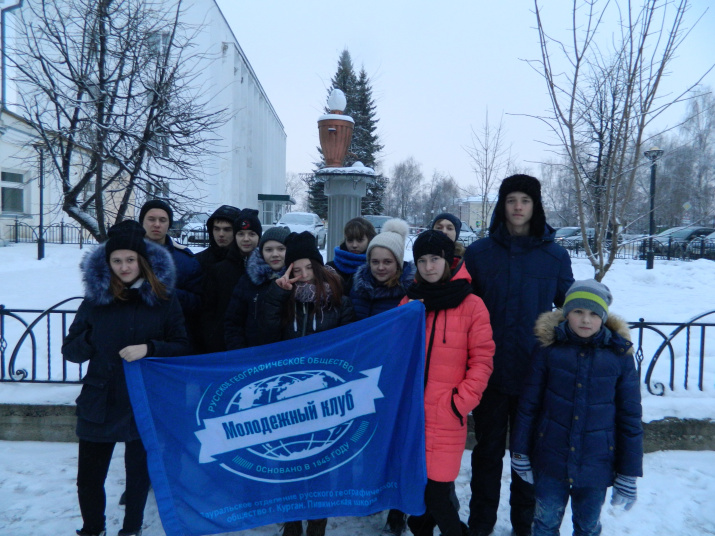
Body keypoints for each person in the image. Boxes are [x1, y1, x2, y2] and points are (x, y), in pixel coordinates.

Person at [62, 220, 190, 536]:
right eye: (117, 260)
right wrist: (91, 340)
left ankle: (131, 529)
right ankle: (93, 529)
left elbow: (182, 345)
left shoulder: (162, 299)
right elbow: (70, 350)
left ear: (142, 261)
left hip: (142, 399)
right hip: (100, 399)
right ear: (107, 263)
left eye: (130, 259)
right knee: (89, 477)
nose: (124, 266)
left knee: (138, 476)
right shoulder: (95, 300)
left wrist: (149, 348)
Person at [463, 174, 574, 536]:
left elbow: (572, 309)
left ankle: (524, 527)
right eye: (511, 200)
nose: (518, 207)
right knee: (488, 454)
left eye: (525, 200)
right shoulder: (480, 254)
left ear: (535, 206)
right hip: (490, 373)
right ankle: (480, 525)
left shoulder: (554, 256)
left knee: (527, 457)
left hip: (533, 375)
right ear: (502, 205)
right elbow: (462, 304)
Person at [510, 280, 643, 536]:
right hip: (551, 461)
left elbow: (630, 417)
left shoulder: (619, 357)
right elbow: (529, 406)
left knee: (587, 526)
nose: (585, 320)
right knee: (545, 523)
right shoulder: (548, 351)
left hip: (597, 464)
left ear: (603, 318)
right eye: (578, 311)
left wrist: (628, 472)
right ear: (566, 312)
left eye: (594, 313)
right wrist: (520, 452)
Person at [260, 231, 355, 536]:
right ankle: (292, 522)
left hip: (325, 400)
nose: (302, 276)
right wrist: (278, 293)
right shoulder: (279, 298)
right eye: (294, 269)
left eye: (307, 268)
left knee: (321, 464)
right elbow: (263, 335)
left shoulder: (339, 301)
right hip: (286, 400)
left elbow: (352, 348)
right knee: (287, 461)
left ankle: (316, 523)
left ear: (318, 267)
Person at [400, 230, 495, 536]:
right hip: (412, 417)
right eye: (422, 260)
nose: (429, 267)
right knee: (417, 501)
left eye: (435, 259)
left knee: (438, 495)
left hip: (445, 416)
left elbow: (482, 361)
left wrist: (459, 403)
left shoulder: (471, 305)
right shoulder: (409, 301)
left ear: (449, 261)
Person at [346, 218, 415, 535]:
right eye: (375, 261)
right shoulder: (358, 287)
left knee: (398, 443)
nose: (380, 267)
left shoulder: (411, 295)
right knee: (370, 442)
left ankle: (398, 509)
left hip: (399, 380)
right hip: (366, 378)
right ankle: (373, 495)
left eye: (387, 261)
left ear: (399, 263)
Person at [139, 199, 202, 350]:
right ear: (142, 222)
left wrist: (167, 293)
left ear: (169, 224)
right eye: (151, 219)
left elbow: (199, 302)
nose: (157, 224)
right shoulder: (126, 257)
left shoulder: (185, 261)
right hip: (134, 339)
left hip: (171, 342)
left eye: (162, 220)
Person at [199, 208, 261, 353]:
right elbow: (207, 313)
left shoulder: (268, 270)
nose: (246, 239)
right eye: (241, 234)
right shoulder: (218, 270)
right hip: (223, 348)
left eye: (251, 234)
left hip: (259, 347)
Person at [224, 225, 291, 350]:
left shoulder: (297, 280)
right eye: (269, 250)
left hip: (289, 355)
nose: (275, 254)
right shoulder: (248, 281)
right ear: (261, 252)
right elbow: (233, 322)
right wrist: (240, 352)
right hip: (254, 355)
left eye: (281, 249)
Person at [326, 216, 377, 294]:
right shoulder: (330, 268)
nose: (354, 245)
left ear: (369, 240)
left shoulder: (377, 268)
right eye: (350, 240)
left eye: (360, 240)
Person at [194, 205, 242, 271]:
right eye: (216, 229)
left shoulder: (247, 262)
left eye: (227, 229)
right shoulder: (198, 261)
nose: (221, 234)